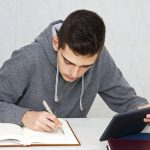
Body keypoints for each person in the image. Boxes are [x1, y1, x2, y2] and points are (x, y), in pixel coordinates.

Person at [0, 9, 149, 132]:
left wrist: (142, 109)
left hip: (73, 142)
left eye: (86, 66)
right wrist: (24, 116)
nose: (74, 73)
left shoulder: (100, 58)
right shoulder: (28, 58)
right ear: (55, 43)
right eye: (68, 61)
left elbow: (127, 100)